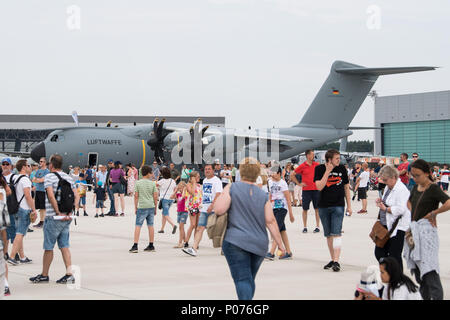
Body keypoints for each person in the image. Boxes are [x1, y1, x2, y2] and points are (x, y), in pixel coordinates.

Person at [214, 157, 286, 300]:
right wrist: (280, 245)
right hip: (259, 244)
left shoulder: (232, 187)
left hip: (236, 241)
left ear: (241, 171)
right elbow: (270, 221)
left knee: (242, 280)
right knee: (248, 279)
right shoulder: (263, 194)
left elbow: (219, 209)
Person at [29, 154, 79, 284]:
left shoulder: (49, 177)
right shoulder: (68, 177)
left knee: (48, 247)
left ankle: (44, 274)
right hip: (67, 216)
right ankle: (69, 274)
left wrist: (58, 212)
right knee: (64, 246)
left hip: (53, 217)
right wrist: (70, 212)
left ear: (51, 164)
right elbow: (76, 196)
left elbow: (50, 196)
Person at [404, 159, 450, 300]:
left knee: (429, 271)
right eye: (412, 175)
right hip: (414, 232)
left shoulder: (433, 188)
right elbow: (409, 201)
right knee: (419, 275)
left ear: (427, 173)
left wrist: (433, 214)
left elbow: (448, 202)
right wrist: (413, 217)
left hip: (426, 234)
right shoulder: (415, 188)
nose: (414, 178)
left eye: (417, 175)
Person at [314, 149, 352, 272]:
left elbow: (346, 187)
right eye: (336, 158)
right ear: (329, 159)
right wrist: (328, 171)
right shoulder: (319, 169)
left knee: (336, 233)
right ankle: (333, 258)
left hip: (338, 205)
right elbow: (319, 186)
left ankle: (336, 261)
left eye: (339, 158)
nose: (339, 160)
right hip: (323, 206)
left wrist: (349, 205)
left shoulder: (342, 169)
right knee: (328, 235)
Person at [374, 165, 410, 269]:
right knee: (379, 252)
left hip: (398, 227)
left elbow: (401, 209)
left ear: (394, 177)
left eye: (385, 180)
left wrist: (385, 208)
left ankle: (398, 279)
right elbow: (387, 201)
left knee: (394, 255)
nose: (384, 182)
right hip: (386, 224)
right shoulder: (388, 187)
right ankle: (388, 272)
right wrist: (381, 201)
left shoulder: (401, 190)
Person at [183, 164, 222, 257]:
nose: (207, 171)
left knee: (218, 230)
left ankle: (225, 247)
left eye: (209, 169)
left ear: (213, 170)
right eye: (205, 169)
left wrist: (212, 205)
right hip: (204, 209)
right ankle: (194, 249)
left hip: (214, 209)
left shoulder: (217, 181)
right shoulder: (204, 180)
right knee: (199, 228)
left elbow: (218, 194)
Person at [6, 160, 36, 266]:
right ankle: (12, 256)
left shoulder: (14, 177)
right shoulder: (26, 179)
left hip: (16, 208)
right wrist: (33, 209)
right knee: (20, 234)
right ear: (23, 167)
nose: (30, 167)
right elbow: (28, 196)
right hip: (24, 208)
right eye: (28, 165)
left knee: (19, 233)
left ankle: (22, 257)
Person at [265, 165, 294, 260]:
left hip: (282, 208)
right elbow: (270, 195)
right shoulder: (270, 182)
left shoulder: (283, 183)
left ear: (279, 174)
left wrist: (290, 213)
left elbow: (288, 198)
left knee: (276, 229)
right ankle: (288, 252)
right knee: (282, 230)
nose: (272, 174)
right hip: (273, 208)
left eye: (274, 172)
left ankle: (271, 252)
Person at [129, 165, 158, 253]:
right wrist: (155, 208)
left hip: (142, 206)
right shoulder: (153, 183)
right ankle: (151, 244)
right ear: (148, 173)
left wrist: (135, 207)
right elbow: (155, 196)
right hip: (151, 206)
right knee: (150, 225)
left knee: (138, 225)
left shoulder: (138, 183)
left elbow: (136, 196)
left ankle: (135, 245)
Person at [292, 150, 320, 233]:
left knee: (317, 209)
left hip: (316, 190)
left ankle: (317, 226)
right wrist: (298, 183)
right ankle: (305, 226)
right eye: (312, 154)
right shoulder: (302, 166)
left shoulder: (317, 165)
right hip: (306, 190)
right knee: (305, 209)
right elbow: (292, 174)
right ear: (307, 155)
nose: (313, 156)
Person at [184, 171, 202, 248]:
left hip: (199, 206)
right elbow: (192, 193)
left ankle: (195, 243)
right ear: (193, 178)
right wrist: (194, 183)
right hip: (192, 206)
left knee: (197, 226)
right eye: (197, 177)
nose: (199, 178)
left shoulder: (199, 185)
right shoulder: (188, 185)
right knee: (193, 225)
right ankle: (186, 241)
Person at [156, 167, 177, 234]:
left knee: (165, 214)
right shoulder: (172, 181)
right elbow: (175, 189)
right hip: (171, 199)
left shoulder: (162, 181)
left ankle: (173, 225)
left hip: (164, 199)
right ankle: (162, 229)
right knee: (164, 214)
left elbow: (155, 185)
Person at [32, 157, 49, 228]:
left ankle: (43, 221)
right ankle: (41, 221)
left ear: (45, 163)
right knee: (39, 207)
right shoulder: (38, 171)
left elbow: (42, 180)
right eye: (40, 161)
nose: (40, 163)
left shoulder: (47, 171)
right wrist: (38, 180)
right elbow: (33, 179)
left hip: (43, 191)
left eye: (42, 162)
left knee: (43, 208)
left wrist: (38, 180)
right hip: (38, 190)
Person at [171, 182, 188, 248]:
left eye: (181, 188)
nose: (180, 189)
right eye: (179, 188)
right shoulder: (178, 194)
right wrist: (176, 190)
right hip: (179, 212)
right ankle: (186, 241)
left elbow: (183, 196)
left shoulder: (186, 194)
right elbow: (172, 196)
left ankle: (180, 243)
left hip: (184, 212)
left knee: (181, 227)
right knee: (181, 228)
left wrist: (184, 190)